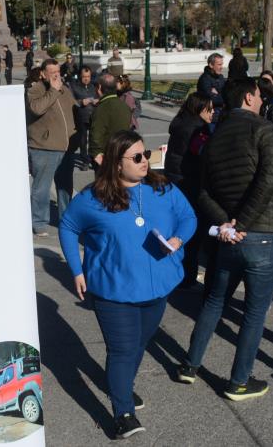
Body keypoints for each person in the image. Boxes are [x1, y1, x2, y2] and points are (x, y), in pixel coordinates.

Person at [59, 130, 196, 439]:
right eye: (136, 157)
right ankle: (123, 413)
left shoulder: (163, 188)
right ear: (117, 164)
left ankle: (122, 387)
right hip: (113, 290)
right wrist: (76, 270)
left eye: (145, 154)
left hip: (157, 287)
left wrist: (178, 238)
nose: (145, 161)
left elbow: (188, 217)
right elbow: (68, 226)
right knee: (122, 349)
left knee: (138, 344)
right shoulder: (93, 197)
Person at [176, 77, 273, 401]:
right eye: (259, 95)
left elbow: (204, 192)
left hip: (229, 235)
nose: (262, 100)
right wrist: (244, 223)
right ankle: (239, 380)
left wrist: (227, 224)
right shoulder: (264, 129)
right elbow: (269, 181)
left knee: (213, 300)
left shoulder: (214, 137)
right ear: (250, 97)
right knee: (254, 311)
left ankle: (189, 365)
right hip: (262, 232)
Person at [164, 92, 214, 287]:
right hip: (189, 181)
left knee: (177, 225)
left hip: (175, 178)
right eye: (209, 109)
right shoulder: (196, 129)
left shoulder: (180, 122)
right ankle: (187, 276)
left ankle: (179, 271)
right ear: (199, 109)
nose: (212, 113)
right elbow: (202, 154)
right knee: (191, 229)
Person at [26, 59, 76, 237]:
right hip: (43, 147)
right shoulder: (35, 89)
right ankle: (39, 223)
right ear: (43, 73)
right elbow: (37, 109)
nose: (56, 74)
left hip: (65, 146)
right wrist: (53, 90)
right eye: (52, 71)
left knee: (65, 187)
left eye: (58, 70)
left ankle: (67, 219)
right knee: (41, 188)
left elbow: (72, 107)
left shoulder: (64, 88)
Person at [89, 74, 132, 170]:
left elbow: (96, 135)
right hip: (121, 152)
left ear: (99, 87)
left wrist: (95, 154)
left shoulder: (102, 108)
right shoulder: (124, 106)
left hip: (106, 156)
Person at [71, 66, 97, 166]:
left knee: (94, 139)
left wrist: (98, 101)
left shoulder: (94, 86)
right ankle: (84, 159)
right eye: (84, 77)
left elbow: (101, 96)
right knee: (83, 139)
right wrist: (81, 102)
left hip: (94, 116)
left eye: (88, 76)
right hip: (81, 116)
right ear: (80, 76)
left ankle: (93, 157)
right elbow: (71, 101)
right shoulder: (74, 86)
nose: (86, 79)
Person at [197, 53, 225, 124]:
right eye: (219, 64)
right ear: (211, 65)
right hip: (210, 116)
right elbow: (211, 99)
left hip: (222, 113)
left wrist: (218, 94)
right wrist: (224, 97)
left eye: (222, 64)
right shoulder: (205, 79)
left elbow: (227, 92)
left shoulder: (220, 77)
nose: (221, 67)